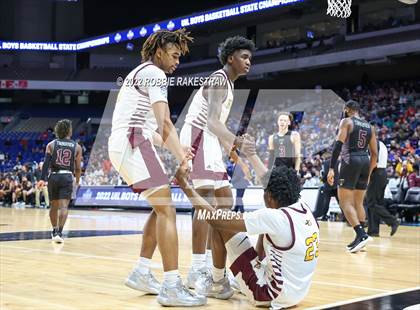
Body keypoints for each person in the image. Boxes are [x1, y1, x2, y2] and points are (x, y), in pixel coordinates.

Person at [107, 29, 206, 307]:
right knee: (167, 210)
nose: (177, 62)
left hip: (129, 142)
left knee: (159, 207)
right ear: (159, 51)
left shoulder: (140, 72)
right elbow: (164, 124)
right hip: (133, 142)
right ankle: (172, 286)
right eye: (174, 55)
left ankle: (141, 271)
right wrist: (183, 158)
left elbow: (158, 132)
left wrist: (177, 150)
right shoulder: (155, 74)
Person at [175, 135, 319, 309]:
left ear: (271, 197)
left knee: (220, 220)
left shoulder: (275, 218)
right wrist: (250, 153)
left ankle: (218, 282)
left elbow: (215, 219)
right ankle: (249, 271)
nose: (263, 193)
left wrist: (185, 185)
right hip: (296, 291)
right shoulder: (302, 207)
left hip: (268, 293)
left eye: (265, 192)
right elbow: (268, 180)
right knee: (265, 233)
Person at [179, 36, 255, 288]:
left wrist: (236, 155)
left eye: (250, 59)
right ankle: (197, 269)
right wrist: (237, 141)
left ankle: (216, 269)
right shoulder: (218, 79)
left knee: (225, 201)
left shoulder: (228, 85)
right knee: (205, 203)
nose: (248, 62)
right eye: (244, 57)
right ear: (230, 57)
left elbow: (218, 127)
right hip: (198, 135)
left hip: (208, 140)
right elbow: (211, 122)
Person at [327, 100, 378, 253]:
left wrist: (331, 168)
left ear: (347, 110)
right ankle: (360, 238)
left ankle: (361, 235)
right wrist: (368, 173)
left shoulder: (346, 121)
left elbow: (337, 145)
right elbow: (375, 154)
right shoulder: (370, 126)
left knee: (345, 203)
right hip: (365, 161)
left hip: (351, 160)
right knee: (358, 202)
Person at [38, 119, 82, 243]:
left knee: (54, 206)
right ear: (69, 130)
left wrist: (42, 178)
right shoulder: (77, 146)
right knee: (64, 206)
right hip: (67, 176)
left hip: (54, 176)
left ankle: (54, 230)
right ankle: (60, 232)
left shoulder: (51, 145)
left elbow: (46, 164)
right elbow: (78, 168)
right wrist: (77, 181)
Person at [366, 132, 400, 237]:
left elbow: (374, 161)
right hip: (382, 173)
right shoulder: (381, 143)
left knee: (371, 203)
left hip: (376, 173)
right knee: (376, 203)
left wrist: (368, 175)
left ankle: (393, 221)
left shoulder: (374, 143)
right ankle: (373, 231)